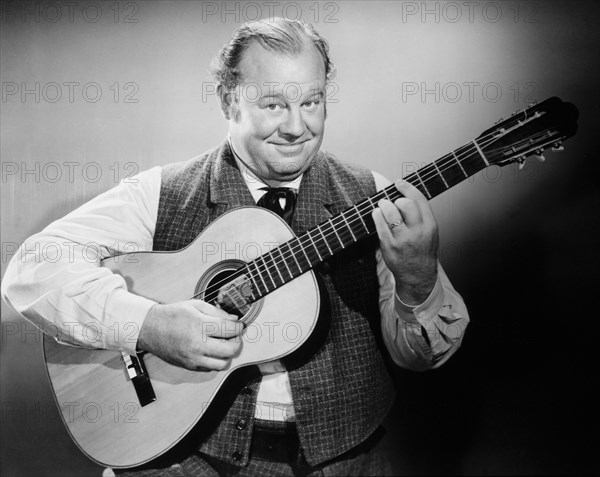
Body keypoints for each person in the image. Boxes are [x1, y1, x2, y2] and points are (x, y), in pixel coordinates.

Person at [1, 18, 469, 476]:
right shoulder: (159, 194)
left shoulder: (374, 199)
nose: (296, 126)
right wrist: (148, 325)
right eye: (273, 105)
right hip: (185, 462)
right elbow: (30, 271)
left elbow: (421, 358)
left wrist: (418, 280)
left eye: (312, 101)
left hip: (346, 464)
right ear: (229, 100)